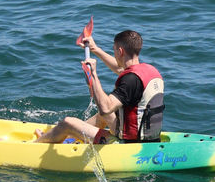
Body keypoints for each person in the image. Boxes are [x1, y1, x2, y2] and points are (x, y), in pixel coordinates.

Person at [34, 29, 164, 144]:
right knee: (104, 117)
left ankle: (35, 146)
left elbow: (105, 108)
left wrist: (93, 74)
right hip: (148, 136)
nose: (114, 54)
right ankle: (66, 139)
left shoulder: (130, 79)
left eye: (114, 51)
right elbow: (121, 68)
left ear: (120, 51)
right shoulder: (149, 71)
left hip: (128, 143)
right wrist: (95, 49)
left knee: (67, 123)